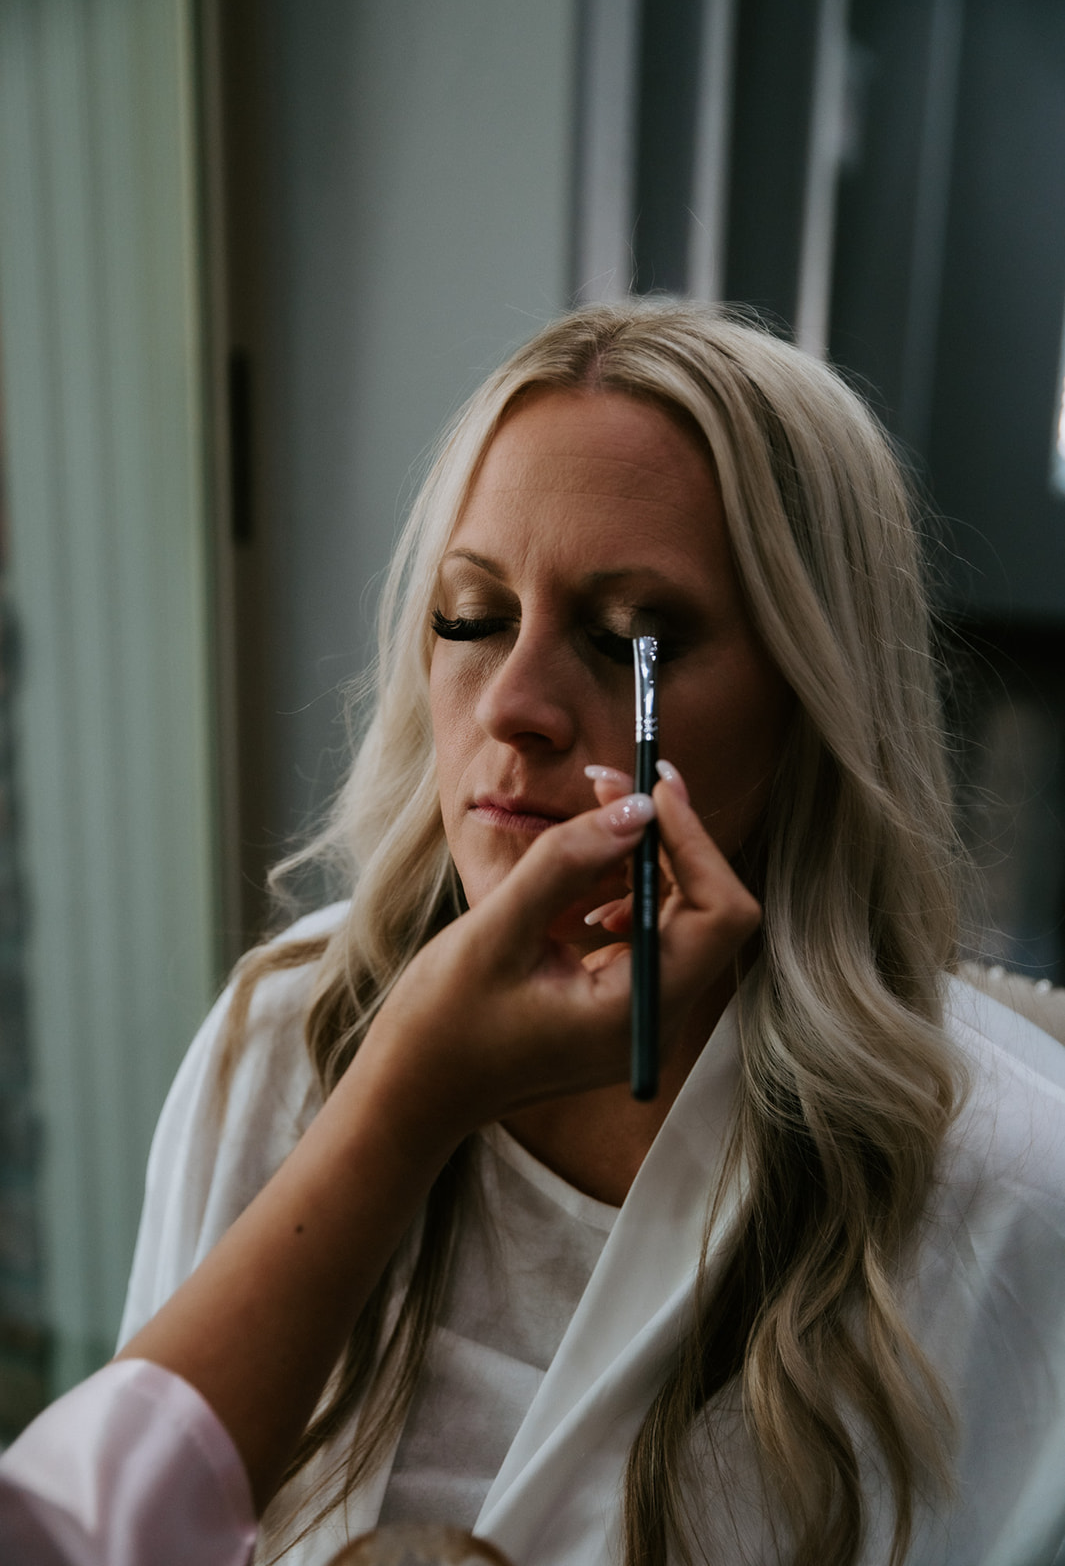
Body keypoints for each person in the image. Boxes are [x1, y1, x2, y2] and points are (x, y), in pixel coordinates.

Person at [116, 302, 1065, 1566]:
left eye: (630, 642)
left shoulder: (1006, 1214)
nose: (513, 706)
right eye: (471, 614)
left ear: (813, 703)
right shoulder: (283, 1039)